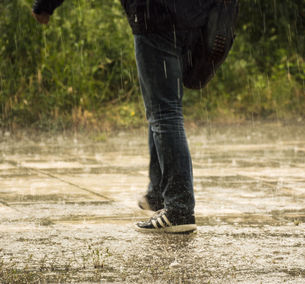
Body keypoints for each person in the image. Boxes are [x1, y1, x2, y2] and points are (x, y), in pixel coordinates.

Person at [32, 0, 216, 233]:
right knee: (163, 107)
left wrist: (45, 4)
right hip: (196, 16)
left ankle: (179, 210)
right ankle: (158, 194)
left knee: (164, 112)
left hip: (156, 14)